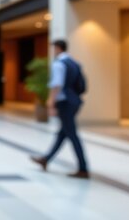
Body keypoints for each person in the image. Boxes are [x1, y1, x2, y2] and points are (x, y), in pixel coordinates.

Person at [31, 39, 90, 179]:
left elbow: (56, 85)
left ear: (57, 48)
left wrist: (51, 102)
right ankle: (45, 159)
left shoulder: (59, 64)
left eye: (53, 48)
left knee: (72, 135)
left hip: (65, 103)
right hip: (75, 101)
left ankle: (83, 168)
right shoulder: (74, 63)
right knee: (63, 133)